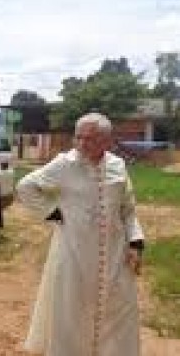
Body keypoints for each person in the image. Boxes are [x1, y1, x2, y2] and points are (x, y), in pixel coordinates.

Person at [18, 113, 145, 356]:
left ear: (107, 141)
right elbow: (26, 187)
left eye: (91, 138)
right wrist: (52, 212)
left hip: (114, 256)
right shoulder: (64, 164)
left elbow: (127, 209)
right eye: (79, 137)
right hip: (73, 255)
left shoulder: (118, 166)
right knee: (71, 313)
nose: (82, 144)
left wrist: (135, 242)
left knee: (117, 311)